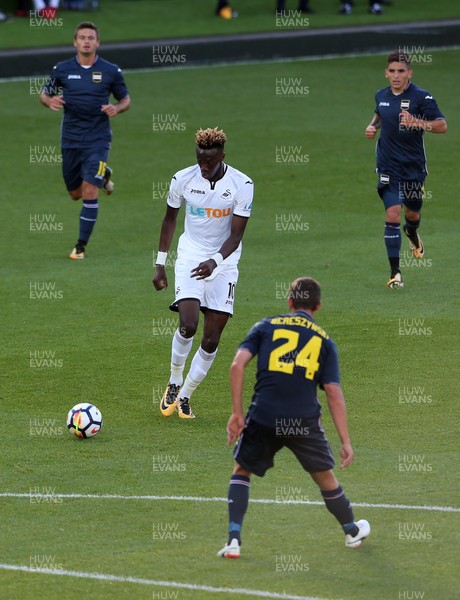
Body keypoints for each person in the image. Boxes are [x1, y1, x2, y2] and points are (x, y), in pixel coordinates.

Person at [217, 277, 370, 558]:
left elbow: (237, 365)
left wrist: (237, 414)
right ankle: (351, 531)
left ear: (289, 302)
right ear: (318, 306)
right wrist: (346, 440)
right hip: (303, 421)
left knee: (242, 471)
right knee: (325, 477)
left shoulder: (265, 327)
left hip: (263, 414)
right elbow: (333, 393)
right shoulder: (324, 341)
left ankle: (234, 540)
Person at [153, 127, 254, 419]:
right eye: (200, 161)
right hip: (191, 256)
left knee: (211, 339)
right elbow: (170, 219)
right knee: (189, 324)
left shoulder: (242, 184)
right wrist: (160, 263)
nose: (204, 167)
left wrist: (216, 261)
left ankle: (185, 396)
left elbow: (235, 236)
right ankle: (174, 381)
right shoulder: (182, 179)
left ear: (222, 156)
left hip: (225, 262)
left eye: (210, 162)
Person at [40, 21, 131, 260]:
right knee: (75, 194)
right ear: (75, 42)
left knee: (90, 190)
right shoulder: (61, 69)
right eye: (82, 37)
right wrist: (49, 101)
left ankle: (80, 246)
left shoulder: (111, 70)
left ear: (97, 42)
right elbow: (45, 93)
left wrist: (117, 108)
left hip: (98, 139)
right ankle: (105, 175)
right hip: (70, 139)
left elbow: (125, 99)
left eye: (91, 37)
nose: (87, 41)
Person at [365, 51, 447, 288]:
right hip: (387, 165)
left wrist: (417, 123)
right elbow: (380, 115)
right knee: (392, 213)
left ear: (410, 73)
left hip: (413, 168)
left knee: (412, 214)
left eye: (401, 71)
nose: (396, 76)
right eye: (392, 71)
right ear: (386, 73)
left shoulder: (422, 98)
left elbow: (442, 126)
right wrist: (372, 127)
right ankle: (395, 273)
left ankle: (412, 232)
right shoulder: (381, 95)